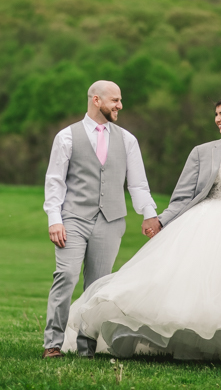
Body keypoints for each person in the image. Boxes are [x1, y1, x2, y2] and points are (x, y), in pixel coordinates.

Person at [62, 95, 221, 365]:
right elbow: (182, 196)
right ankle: (106, 324)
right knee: (179, 283)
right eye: (216, 114)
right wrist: (161, 219)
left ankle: (214, 348)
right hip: (201, 223)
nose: (217, 119)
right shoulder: (201, 152)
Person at [42, 80, 161, 359]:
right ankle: (52, 344)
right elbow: (55, 182)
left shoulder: (128, 140)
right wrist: (54, 219)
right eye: (115, 100)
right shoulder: (67, 137)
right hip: (72, 218)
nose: (120, 105)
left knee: (98, 286)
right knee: (66, 276)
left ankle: (87, 348)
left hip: (111, 221)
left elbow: (138, 184)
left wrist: (149, 214)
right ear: (96, 100)